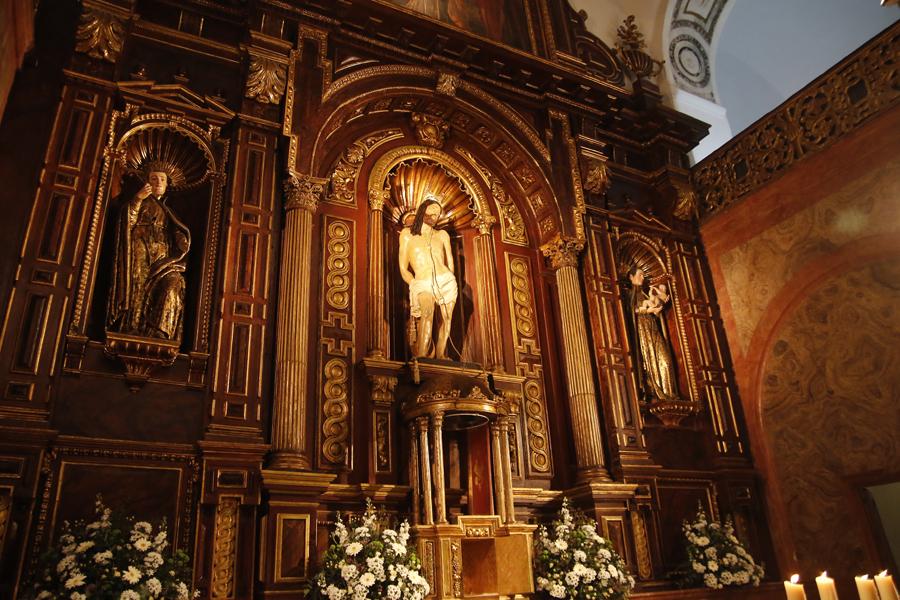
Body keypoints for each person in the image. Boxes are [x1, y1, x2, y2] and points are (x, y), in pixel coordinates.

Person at [107, 164, 190, 342]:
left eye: (162, 179)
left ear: (167, 184)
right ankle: (132, 327)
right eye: (154, 178)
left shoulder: (169, 210)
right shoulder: (140, 200)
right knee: (137, 286)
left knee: (173, 284)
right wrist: (137, 199)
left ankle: (161, 331)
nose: (158, 182)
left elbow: (175, 228)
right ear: (147, 182)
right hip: (141, 248)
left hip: (163, 257)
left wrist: (182, 240)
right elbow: (127, 220)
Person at [398, 198, 458, 359]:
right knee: (427, 312)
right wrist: (414, 284)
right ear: (422, 210)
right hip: (422, 282)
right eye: (432, 210)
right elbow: (403, 268)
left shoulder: (442, 235)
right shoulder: (407, 235)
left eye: (438, 213)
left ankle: (441, 354)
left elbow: (450, 261)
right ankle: (423, 356)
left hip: (445, 280)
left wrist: (451, 279)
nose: (435, 215)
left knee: (446, 318)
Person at [627, 267, 679, 402]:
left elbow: (655, 312)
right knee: (649, 358)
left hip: (652, 328)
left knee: (665, 360)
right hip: (641, 331)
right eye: (640, 275)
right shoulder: (630, 294)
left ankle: (669, 394)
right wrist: (646, 310)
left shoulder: (645, 294)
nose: (642, 277)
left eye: (643, 275)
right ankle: (654, 392)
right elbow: (633, 311)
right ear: (631, 277)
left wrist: (658, 306)